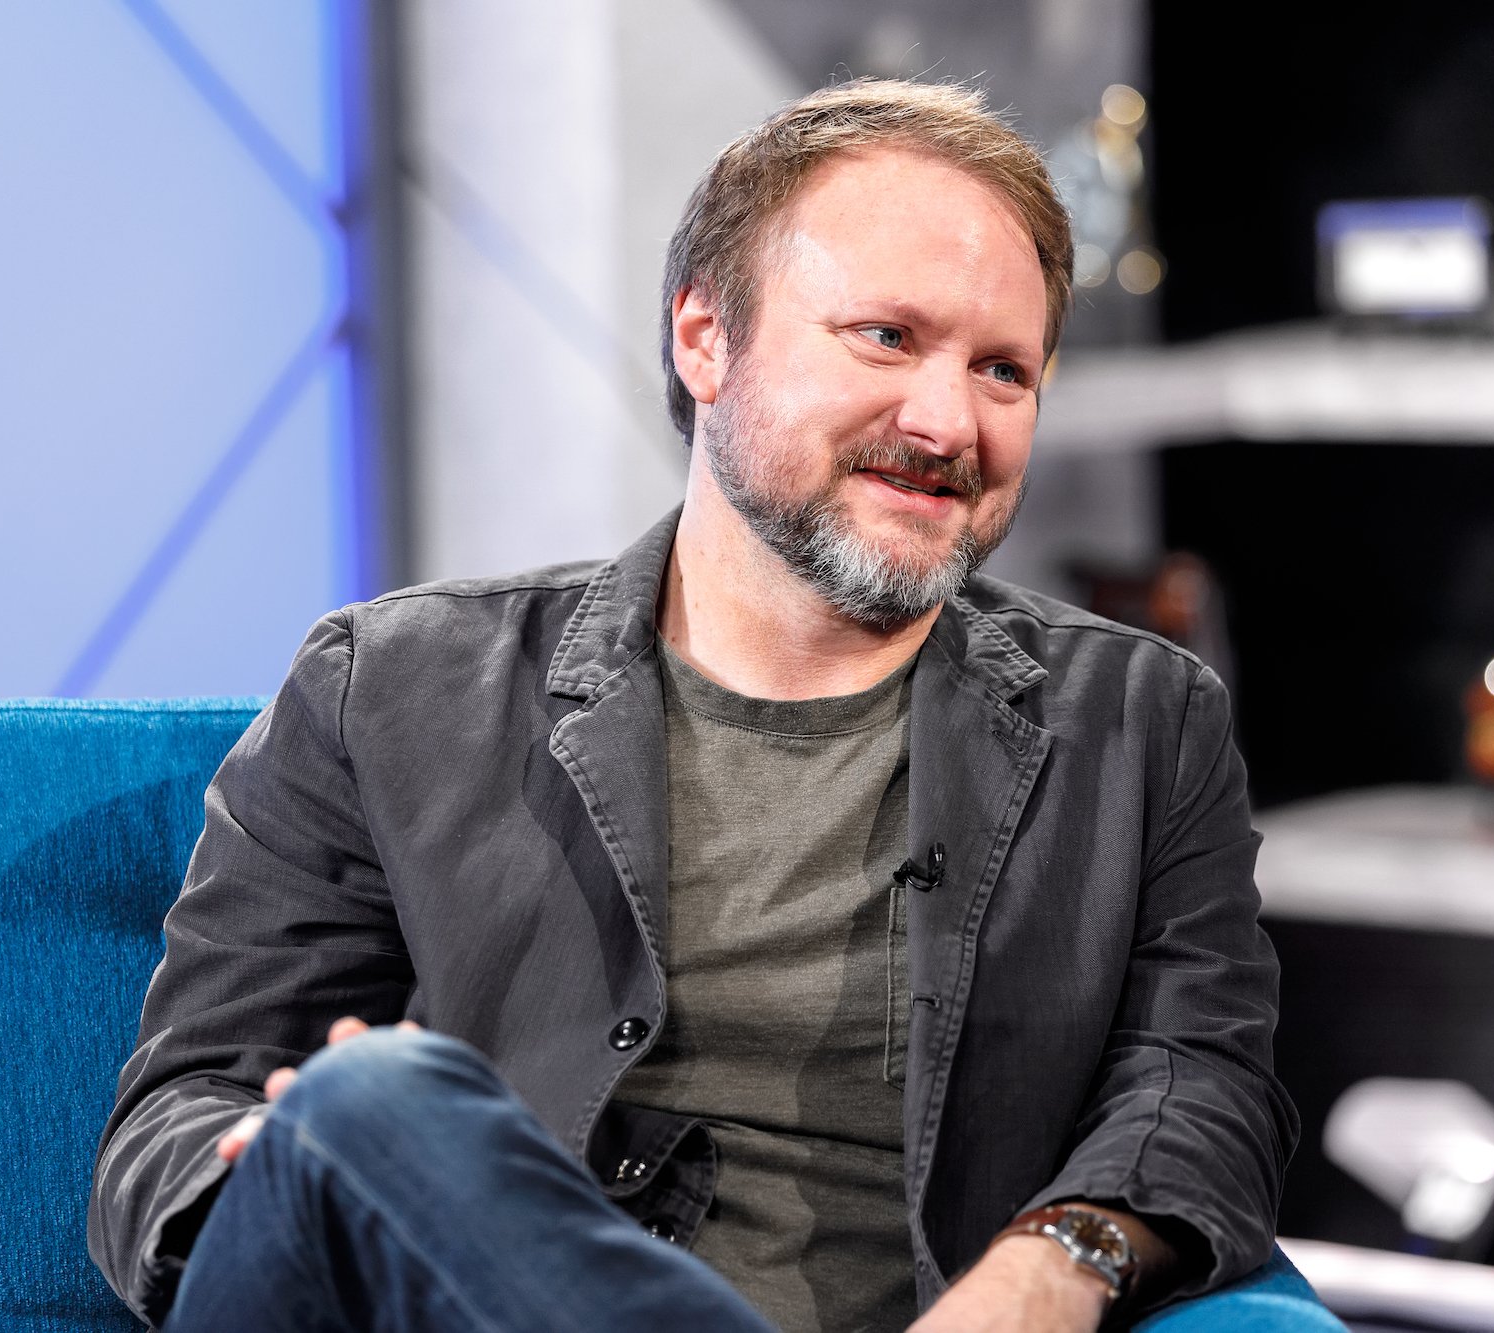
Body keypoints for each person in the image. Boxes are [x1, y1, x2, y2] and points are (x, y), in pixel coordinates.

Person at [89, 78, 1297, 1332]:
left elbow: (1203, 1092)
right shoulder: (386, 688)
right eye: (886, 337)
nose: (949, 422)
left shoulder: (1140, 721)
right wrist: (300, 1177)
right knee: (371, 1104)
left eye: (1002, 370)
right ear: (704, 338)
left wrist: (1052, 1262)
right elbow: (178, 1118)